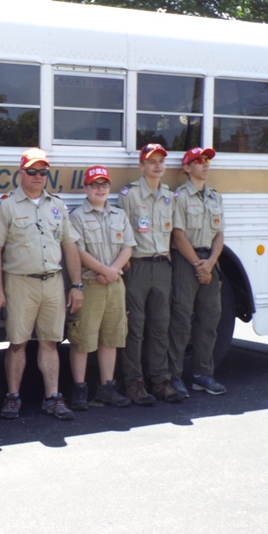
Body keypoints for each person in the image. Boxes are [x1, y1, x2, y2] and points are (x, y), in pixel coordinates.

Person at [0, 148, 84, 420]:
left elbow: (69, 245)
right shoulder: (6, 205)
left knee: (50, 342)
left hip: (53, 282)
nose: (38, 176)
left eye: (43, 171)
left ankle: (53, 397)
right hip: (20, 283)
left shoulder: (57, 205)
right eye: (32, 171)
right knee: (17, 343)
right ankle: (12, 397)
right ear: (21, 172)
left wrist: (76, 285)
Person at [117, 143, 185, 405]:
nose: (158, 165)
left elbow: (172, 235)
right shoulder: (130, 195)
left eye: (161, 161)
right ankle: (134, 383)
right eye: (152, 161)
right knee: (135, 328)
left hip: (161, 267)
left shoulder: (169, 196)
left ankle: (160, 381)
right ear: (141, 166)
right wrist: (126, 266)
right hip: (138, 266)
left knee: (159, 326)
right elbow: (121, 232)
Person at [67, 166, 135, 410]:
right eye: (94, 184)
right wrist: (106, 271)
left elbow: (128, 247)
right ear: (85, 188)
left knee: (111, 337)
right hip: (91, 284)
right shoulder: (77, 216)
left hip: (114, 284)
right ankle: (79, 390)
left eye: (104, 184)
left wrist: (113, 270)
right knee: (82, 338)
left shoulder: (119, 215)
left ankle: (107, 389)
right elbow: (78, 251)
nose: (100, 189)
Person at [168, 147, 228, 396]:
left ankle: (202, 375)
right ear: (187, 167)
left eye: (207, 161)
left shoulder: (215, 197)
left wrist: (211, 263)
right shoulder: (180, 196)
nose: (206, 164)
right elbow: (178, 235)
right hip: (187, 262)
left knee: (209, 319)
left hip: (210, 262)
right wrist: (198, 265)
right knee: (181, 320)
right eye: (199, 161)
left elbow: (220, 235)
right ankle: (173, 377)